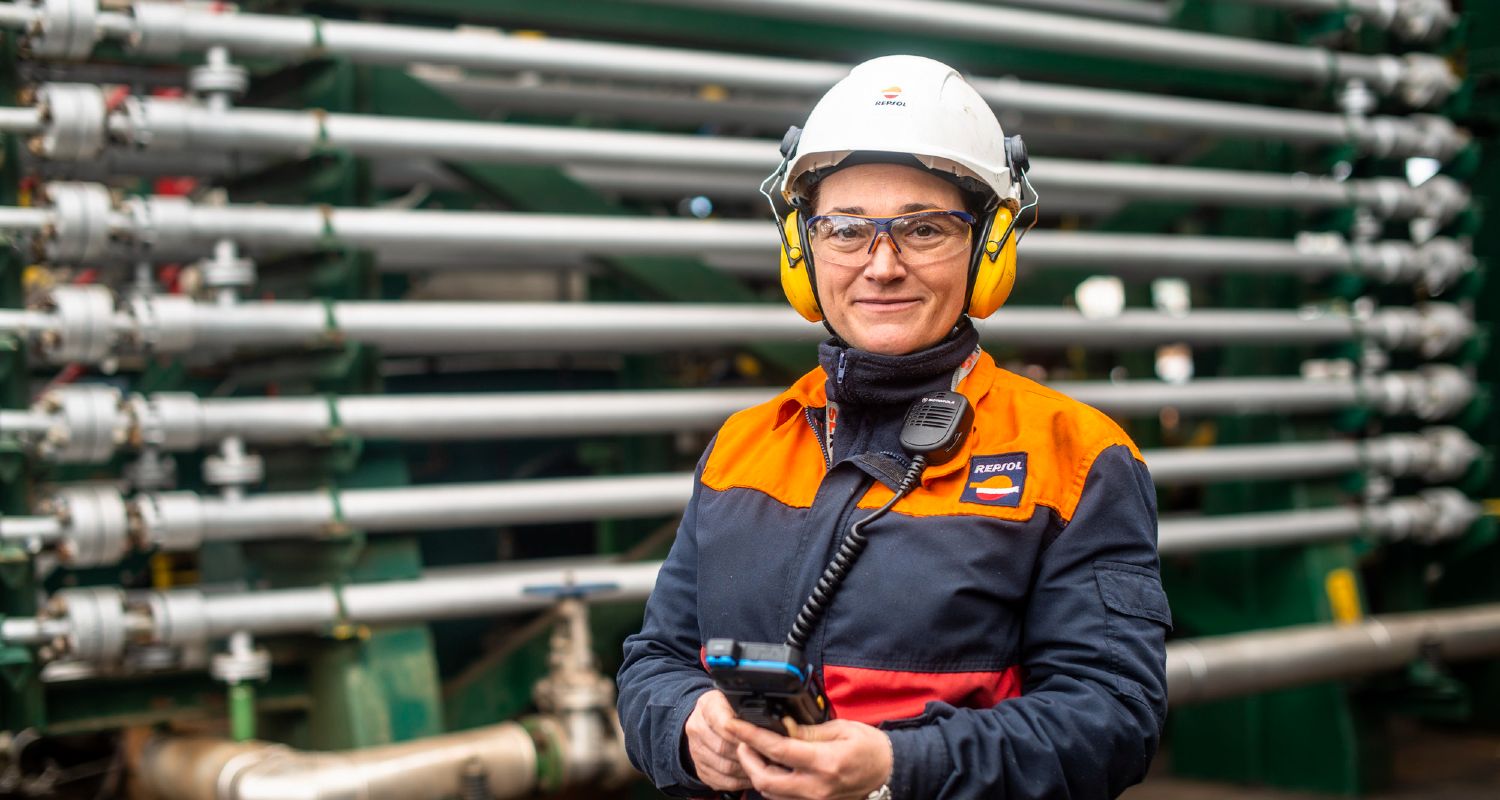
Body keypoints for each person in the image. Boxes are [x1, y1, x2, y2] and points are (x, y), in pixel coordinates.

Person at [617, 55, 1169, 800]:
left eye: (924, 229)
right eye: (844, 230)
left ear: (989, 249)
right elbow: (653, 661)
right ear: (799, 250)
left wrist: (897, 770)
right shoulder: (744, 447)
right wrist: (688, 726)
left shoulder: (1074, 459)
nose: (881, 265)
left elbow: (1112, 721)